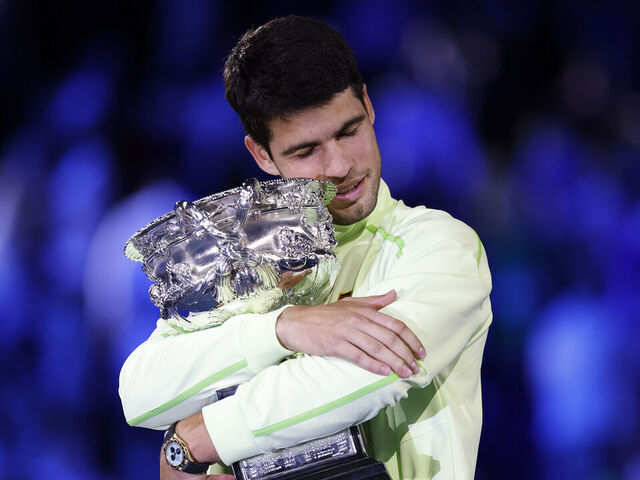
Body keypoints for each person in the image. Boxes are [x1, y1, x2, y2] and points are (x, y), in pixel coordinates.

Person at [119, 15, 492, 480]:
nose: (339, 166)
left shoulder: (438, 246)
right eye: (305, 151)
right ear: (261, 154)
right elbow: (140, 392)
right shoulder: (241, 254)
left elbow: (370, 375)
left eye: (348, 131)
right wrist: (281, 329)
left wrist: (198, 437)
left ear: (370, 107)